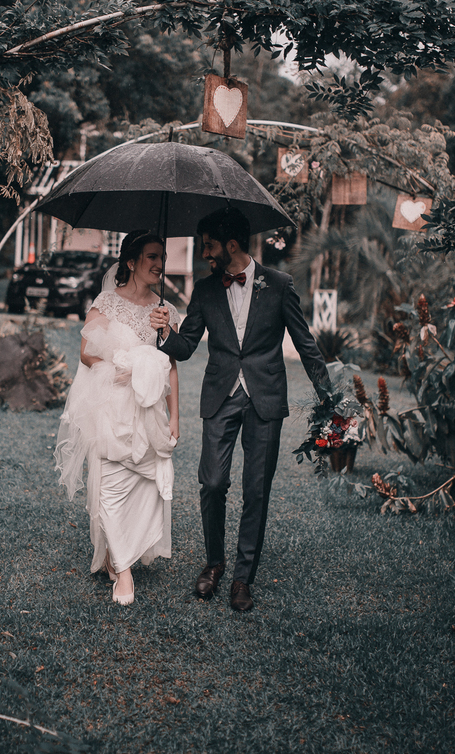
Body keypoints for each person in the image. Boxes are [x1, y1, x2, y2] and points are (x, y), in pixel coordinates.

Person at [150, 208, 330, 612]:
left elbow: (306, 345)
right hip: (220, 396)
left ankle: (242, 578)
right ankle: (214, 563)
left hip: (265, 399)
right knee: (212, 482)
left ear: (231, 244)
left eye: (209, 246)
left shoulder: (280, 285)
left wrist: (329, 399)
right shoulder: (206, 289)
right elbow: (186, 346)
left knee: (256, 492)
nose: (204, 255)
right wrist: (165, 330)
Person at [55, 231, 180, 606]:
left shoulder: (166, 311)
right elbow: (85, 354)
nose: (159, 264)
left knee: (146, 486)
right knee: (109, 484)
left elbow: (171, 367)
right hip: (111, 403)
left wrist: (177, 417)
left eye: (162, 257)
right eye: (152, 257)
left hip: (150, 410)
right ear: (131, 262)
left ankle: (120, 549)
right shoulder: (107, 303)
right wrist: (122, 365)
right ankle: (123, 572)